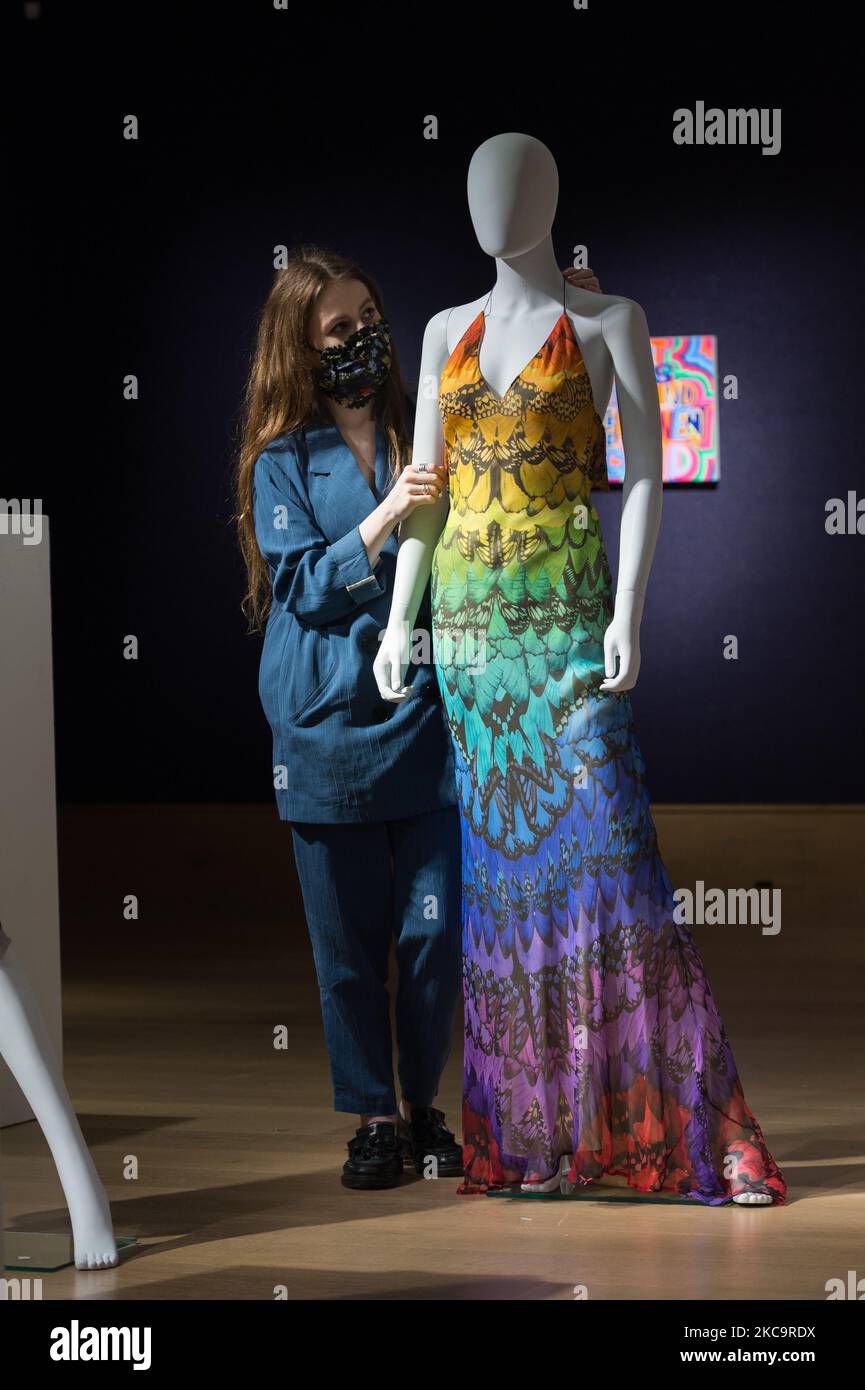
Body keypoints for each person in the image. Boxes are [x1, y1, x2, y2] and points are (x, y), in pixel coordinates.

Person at [232, 245, 604, 1189]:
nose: (364, 337)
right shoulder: (284, 462)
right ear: (301, 348)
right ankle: (373, 1119)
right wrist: (385, 514)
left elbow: (527, 439)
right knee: (347, 950)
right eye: (338, 328)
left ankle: (426, 1106)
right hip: (323, 733)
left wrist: (573, 327)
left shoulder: (420, 423)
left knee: (434, 932)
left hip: (427, 724)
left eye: (369, 316)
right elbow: (306, 588)